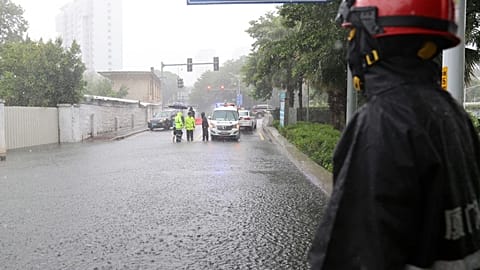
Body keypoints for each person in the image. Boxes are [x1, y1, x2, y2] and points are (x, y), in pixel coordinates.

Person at [308, 0, 480, 269]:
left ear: (374, 40)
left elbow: (351, 256)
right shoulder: (453, 114)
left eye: (354, 34)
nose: (352, 46)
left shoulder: (382, 121)